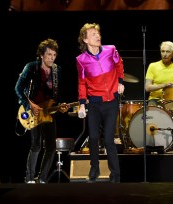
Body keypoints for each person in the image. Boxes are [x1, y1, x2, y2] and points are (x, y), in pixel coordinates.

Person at [15, 38, 69, 184]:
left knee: (51, 146)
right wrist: (29, 105)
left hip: (48, 111)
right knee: (36, 145)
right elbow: (18, 89)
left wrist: (60, 106)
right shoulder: (31, 67)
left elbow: (56, 95)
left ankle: (43, 179)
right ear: (41, 55)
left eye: (54, 55)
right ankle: (29, 178)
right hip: (34, 110)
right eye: (49, 54)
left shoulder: (57, 71)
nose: (51, 58)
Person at [76, 23, 125, 183]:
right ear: (85, 39)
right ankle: (94, 168)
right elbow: (82, 83)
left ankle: (115, 175)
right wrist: (82, 103)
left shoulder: (111, 50)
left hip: (111, 102)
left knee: (109, 139)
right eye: (93, 34)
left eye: (98, 33)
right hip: (95, 104)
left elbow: (119, 64)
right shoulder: (81, 60)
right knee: (94, 137)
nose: (97, 36)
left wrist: (120, 81)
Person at [145, 41, 173, 107]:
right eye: (163, 51)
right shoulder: (152, 66)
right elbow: (147, 88)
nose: (164, 54)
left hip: (170, 100)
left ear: (172, 54)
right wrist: (164, 85)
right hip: (154, 99)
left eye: (168, 52)